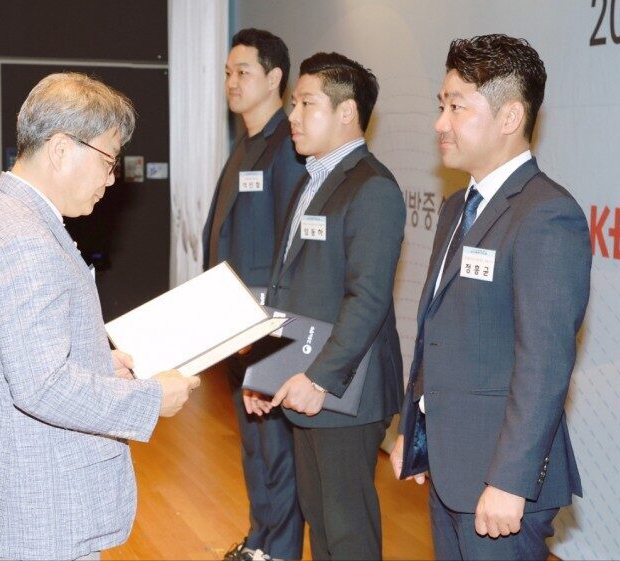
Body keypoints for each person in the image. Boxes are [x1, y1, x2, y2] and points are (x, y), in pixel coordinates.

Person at [0, 72, 200, 561]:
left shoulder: (8, 217)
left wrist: (95, 362)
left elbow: (21, 357)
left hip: (24, 498)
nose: (112, 179)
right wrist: (150, 399)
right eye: (109, 161)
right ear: (62, 149)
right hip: (40, 511)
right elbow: (40, 386)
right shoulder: (24, 239)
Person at [390, 34, 592, 560]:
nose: (440, 122)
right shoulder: (459, 206)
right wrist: (412, 432)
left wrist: (510, 481)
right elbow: (440, 333)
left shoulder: (547, 216)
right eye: (441, 105)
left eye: (457, 106)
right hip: (452, 464)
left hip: (501, 484)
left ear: (509, 117)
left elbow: (544, 364)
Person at [251, 52, 405, 560]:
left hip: (344, 392)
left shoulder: (372, 187)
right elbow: (288, 289)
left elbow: (369, 300)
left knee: (347, 536)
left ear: (346, 112)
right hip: (306, 385)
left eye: (305, 103)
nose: (292, 116)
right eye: (293, 103)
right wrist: (264, 371)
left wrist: (318, 379)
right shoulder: (310, 181)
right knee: (321, 522)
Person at [203, 28, 306, 561]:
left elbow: (292, 246)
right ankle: (260, 540)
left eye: (243, 71)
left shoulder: (288, 147)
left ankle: (281, 550)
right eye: (227, 72)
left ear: (274, 78)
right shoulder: (243, 145)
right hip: (232, 323)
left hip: (268, 325)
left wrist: (267, 324)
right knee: (253, 445)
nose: (231, 82)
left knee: (277, 449)